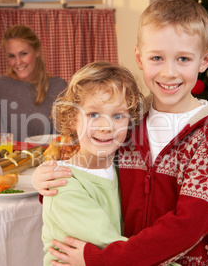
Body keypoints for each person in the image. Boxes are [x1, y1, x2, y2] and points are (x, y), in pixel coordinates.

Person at [33, 0, 208, 265]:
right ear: (139, 58)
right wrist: (47, 180)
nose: (169, 72)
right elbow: (95, 168)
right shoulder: (129, 118)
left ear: (205, 60)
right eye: (157, 57)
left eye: (183, 59)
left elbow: (192, 222)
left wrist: (102, 259)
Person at [42, 61, 148, 265]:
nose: (106, 126)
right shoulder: (63, 186)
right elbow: (114, 247)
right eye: (93, 114)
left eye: (118, 116)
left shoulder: (125, 168)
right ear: (73, 119)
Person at [0, 24, 67, 142]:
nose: (18, 62)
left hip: (47, 160)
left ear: (36, 51)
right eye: (11, 56)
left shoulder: (59, 87)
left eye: (23, 54)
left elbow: (61, 142)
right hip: (6, 160)